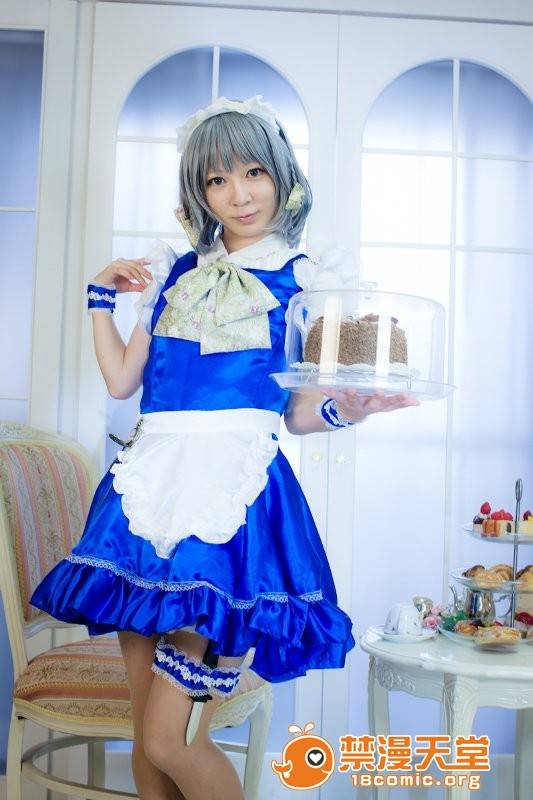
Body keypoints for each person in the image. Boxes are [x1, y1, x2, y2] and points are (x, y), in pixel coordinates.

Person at [30, 95, 418, 800]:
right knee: (146, 733)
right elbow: (122, 381)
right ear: (198, 191)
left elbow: (299, 413)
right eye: (216, 179)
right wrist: (99, 299)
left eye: (252, 173)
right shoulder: (175, 273)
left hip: (230, 501)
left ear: (281, 176)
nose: (238, 194)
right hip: (146, 491)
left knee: (170, 739)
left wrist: (347, 409)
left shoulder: (308, 279)